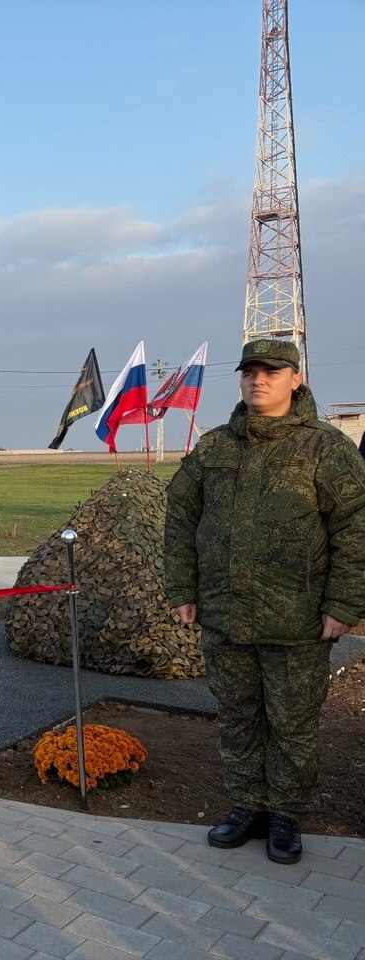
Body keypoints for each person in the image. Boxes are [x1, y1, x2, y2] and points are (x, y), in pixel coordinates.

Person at [165, 340, 365, 865]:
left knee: (293, 724)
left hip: (296, 619)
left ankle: (285, 814)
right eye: (250, 371)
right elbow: (181, 517)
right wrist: (182, 589)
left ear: (295, 379)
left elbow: (355, 529)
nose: (259, 380)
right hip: (226, 615)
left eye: (272, 372)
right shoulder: (214, 447)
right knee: (237, 718)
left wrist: (344, 603)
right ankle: (247, 805)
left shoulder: (325, 448)